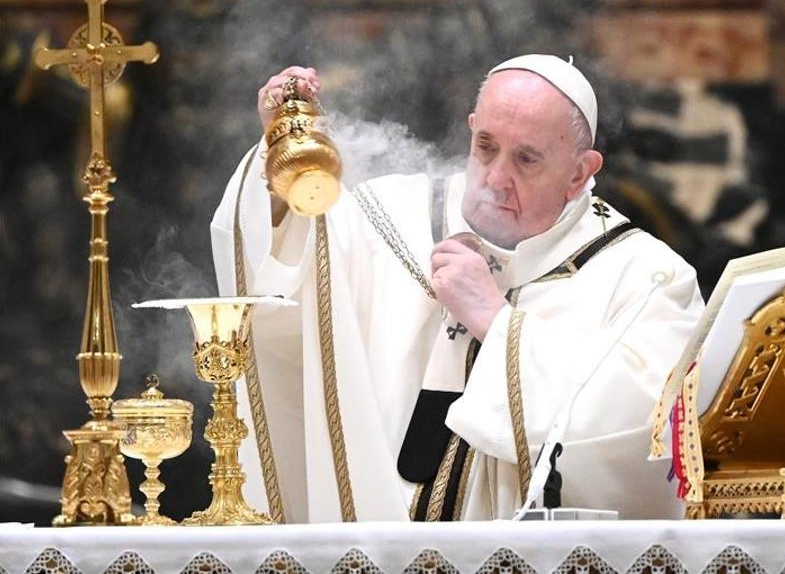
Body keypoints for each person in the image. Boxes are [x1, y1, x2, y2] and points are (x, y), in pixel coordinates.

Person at [210, 55, 703, 522]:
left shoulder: (641, 275)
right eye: (485, 146)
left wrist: (497, 322)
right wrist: (283, 150)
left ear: (579, 173)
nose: (495, 178)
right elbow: (280, 290)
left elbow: (646, 440)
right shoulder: (385, 219)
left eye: (526, 160)